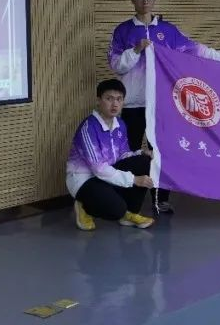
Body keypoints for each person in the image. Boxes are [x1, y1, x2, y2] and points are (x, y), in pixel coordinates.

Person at [107, 0, 220, 215]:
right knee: (130, 152)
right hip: (132, 105)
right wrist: (136, 50)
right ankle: (128, 202)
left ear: (154, 0)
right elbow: (116, 64)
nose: (145, 2)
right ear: (133, 0)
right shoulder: (122, 31)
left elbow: (196, 50)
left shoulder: (168, 31)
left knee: (161, 152)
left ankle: (160, 200)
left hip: (161, 104)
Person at [66, 79, 156, 231]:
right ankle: (84, 205)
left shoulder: (120, 124)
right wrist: (134, 180)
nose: (115, 104)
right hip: (85, 179)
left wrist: (142, 152)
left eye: (119, 99)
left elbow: (123, 155)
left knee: (144, 161)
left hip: (108, 174)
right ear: (98, 101)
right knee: (116, 209)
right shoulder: (88, 128)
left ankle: (130, 213)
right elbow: (98, 169)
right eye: (109, 99)